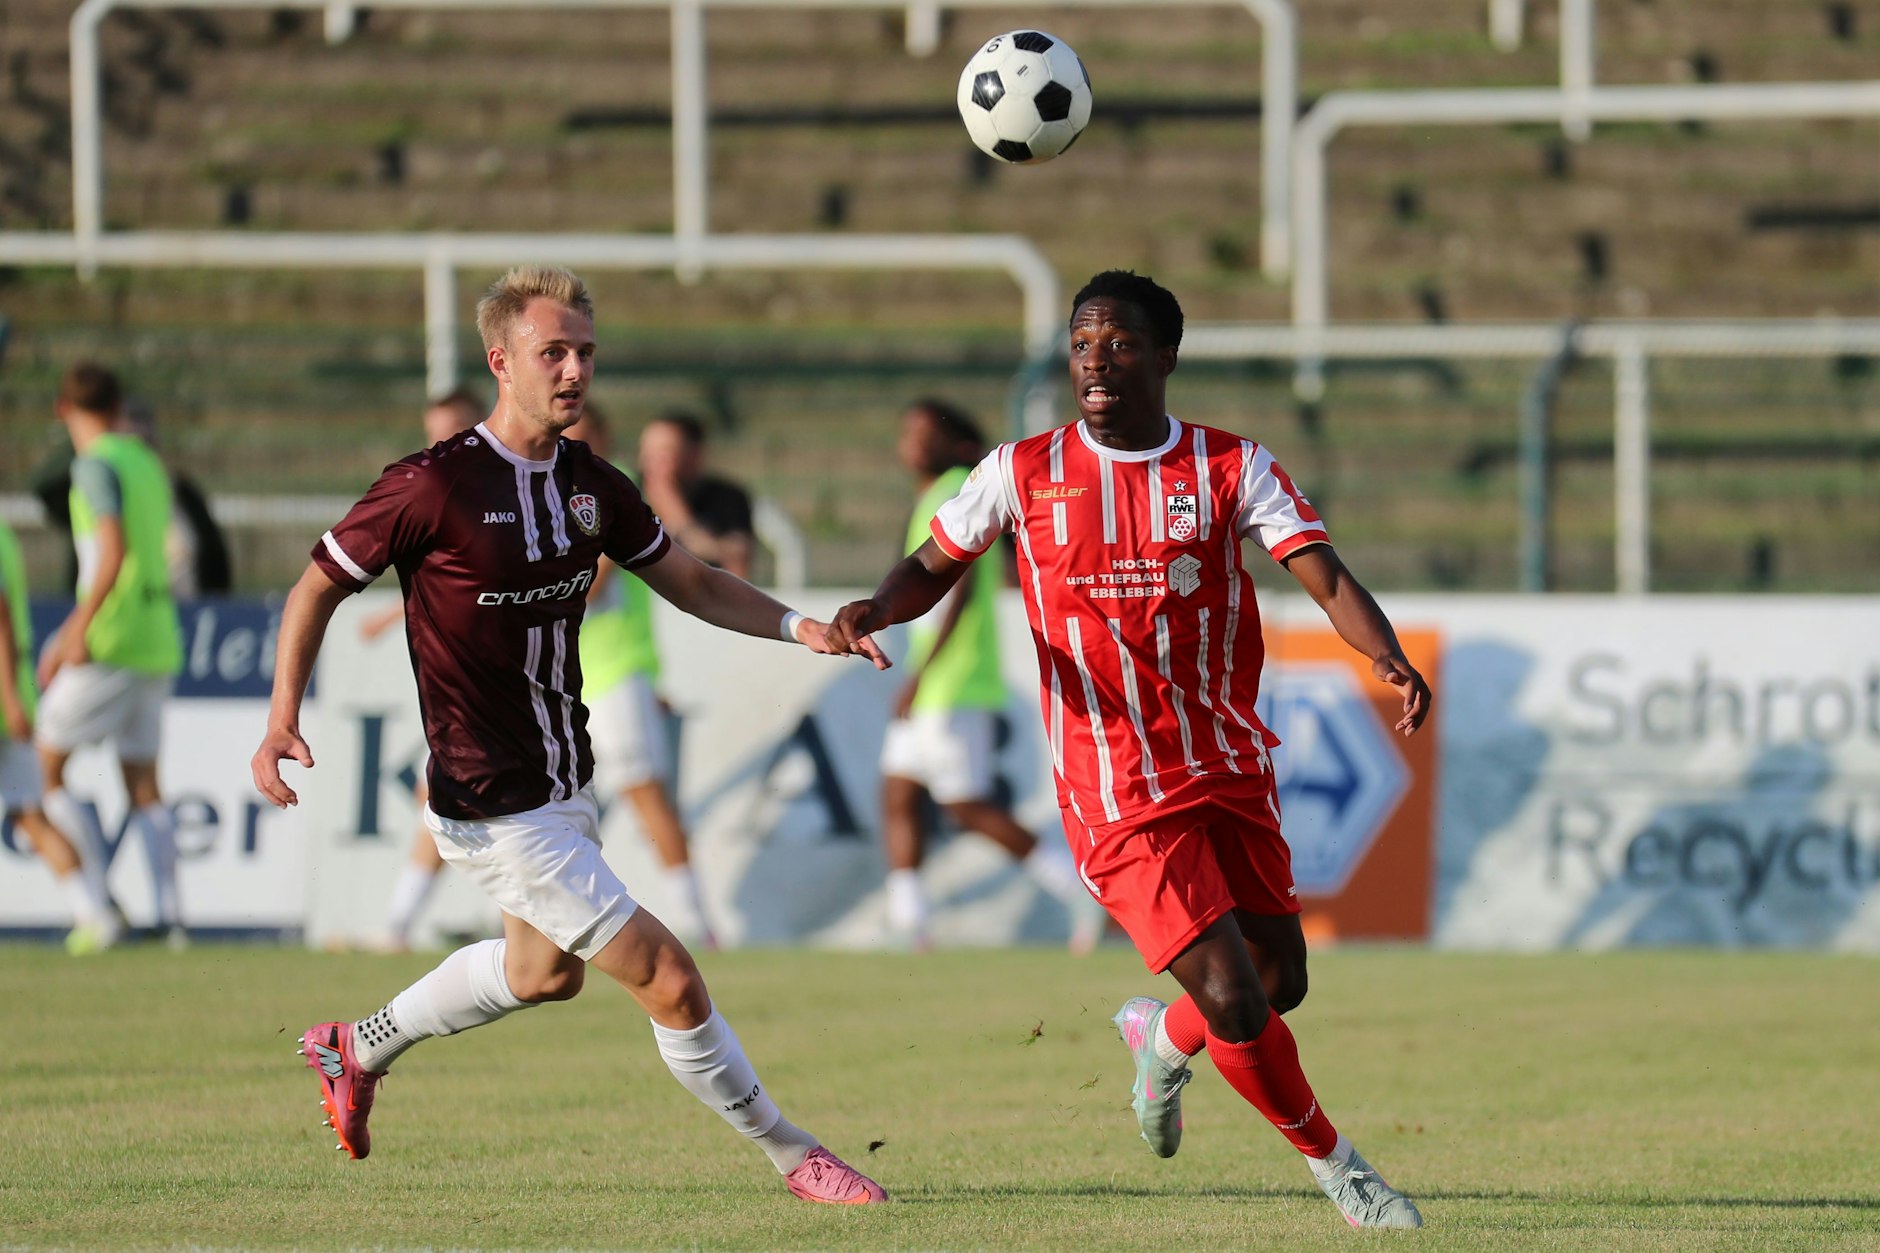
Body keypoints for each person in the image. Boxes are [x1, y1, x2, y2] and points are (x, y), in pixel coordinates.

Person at [251, 266, 885, 1204]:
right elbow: (318, 584)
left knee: (540, 973)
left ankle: (354, 1045)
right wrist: (279, 718)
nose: (575, 369)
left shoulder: (592, 485)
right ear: (501, 361)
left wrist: (804, 625)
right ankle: (795, 1154)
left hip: (561, 780)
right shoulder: (431, 485)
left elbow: (697, 582)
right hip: (491, 799)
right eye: (555, 352)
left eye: (586, 352)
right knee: (671, 979)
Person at [824, 271, 1431, 1229]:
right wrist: (874, 606)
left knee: (1280, 982)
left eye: (1119, 345)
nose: (1096, 364)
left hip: (1227, 761)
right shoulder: (1022, 471)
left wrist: (1385, 652)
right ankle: (1342, 1167)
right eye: (1082, 347)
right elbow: (932, 564)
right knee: (1234, 996)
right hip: (1114, 785)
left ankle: (1158, 1040)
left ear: (1165, 357)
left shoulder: (1232, 467)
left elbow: (1326, 575)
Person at [878, 398, 1099, 953]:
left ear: (955, 445)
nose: (910, 438)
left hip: (954, 682)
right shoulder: (929, 493)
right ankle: (911, 922)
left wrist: (922, 674)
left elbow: (956, 586)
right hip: (933, 682)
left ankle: (1078, 891)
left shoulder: (956, 483)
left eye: (924, 430)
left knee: (964, 806)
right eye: (908, 426)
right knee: (897, 793)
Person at [36, 363, 187, 949]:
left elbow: (112, 548)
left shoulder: (95, 463)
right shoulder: (145, 459)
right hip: (156, 634)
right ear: (119, 402)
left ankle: (98, 904)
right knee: (144, 785)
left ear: (61, 409)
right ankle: (172, 920)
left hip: (112, 636)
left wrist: (77, 627)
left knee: (42, 770)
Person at [567, 404, 716, 948]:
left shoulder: (614, 486)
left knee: (646, 792)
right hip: (566, 676)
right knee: (552, 809)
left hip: (616, 671)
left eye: (584, 437)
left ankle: (697, 921)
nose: (571, 446)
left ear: (604, 437)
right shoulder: (546, 490)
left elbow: (596, 581)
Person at [358, 386, 487, 950]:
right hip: (455, 689)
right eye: (434, 432)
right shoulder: (435, 490)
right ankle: (401, 926)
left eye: (453, 430)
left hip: (495, 687)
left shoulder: (495, 493)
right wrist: (392, 615)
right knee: (440, 804)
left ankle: (405, 925)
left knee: (444, 801)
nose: (440, 444)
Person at [0, 515, 121, 953]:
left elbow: (2, 620)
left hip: (5, 700)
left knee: (33, 810)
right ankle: (93, 913)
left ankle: (95, 912)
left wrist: (10, 697)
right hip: (11, 699)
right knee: (30, 814)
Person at [637, 411, 755, 578]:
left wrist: (678, 516)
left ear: (694, 454)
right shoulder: (630, 494)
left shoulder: (728, 498)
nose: (650, 464)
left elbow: (737, 563)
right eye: (647, 453)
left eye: (664, 453)